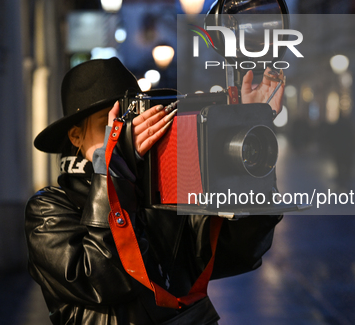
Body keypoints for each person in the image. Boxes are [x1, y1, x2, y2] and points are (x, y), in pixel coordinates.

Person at [25, 58, 285, 324]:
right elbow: (103, 280)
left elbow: (237, 252)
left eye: (130, 119)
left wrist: (249, 134)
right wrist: (112, 172)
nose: (124, 131)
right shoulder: (47, 209)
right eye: (110, 123)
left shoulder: (164, 188)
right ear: (75, 137)